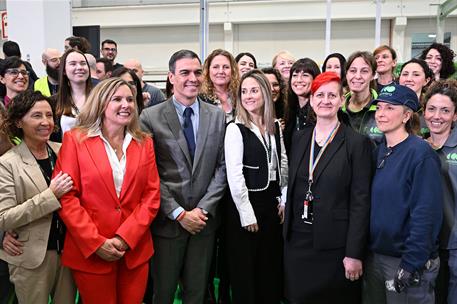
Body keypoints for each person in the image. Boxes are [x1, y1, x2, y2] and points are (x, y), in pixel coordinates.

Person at [54, 78, 160, 304]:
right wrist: (97, 242)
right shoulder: (75, 140)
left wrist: (125, 237)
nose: (126, 105)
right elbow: (67, 197)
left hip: (134, 251)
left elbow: (151, 196)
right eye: (118, 99)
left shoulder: (144, 143)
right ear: (102, 103)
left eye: (130, 99)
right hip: (91, 252)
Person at [139, 49, 226, 304]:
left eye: (198, 72)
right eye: (185, 72)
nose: (193, 78)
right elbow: (149, 173)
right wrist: (178, 213)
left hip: (204, 223)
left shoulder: (217, 115)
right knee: (163, 294)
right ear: (171, 77)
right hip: (168, 224)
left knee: (196, 294)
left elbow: (222, 168)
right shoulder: (150, 117)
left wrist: (202, 209)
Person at [283, 72, 372, 303]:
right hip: (297, 242)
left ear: (342, 100)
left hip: (334, 246)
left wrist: (354, 253)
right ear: (311, 100)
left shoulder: (356, 143)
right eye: (320, 95)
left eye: (332, 95)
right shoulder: (300, 138)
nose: (325, 100)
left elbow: (360, 203)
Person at [363, 84, 442, 304]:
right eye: (379, 108)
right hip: (376, 257)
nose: (381, 113)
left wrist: (411, 263)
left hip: (405, 261)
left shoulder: (420, 154)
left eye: (390, 108)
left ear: (407, 115)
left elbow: (426, 213)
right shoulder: (378, 151)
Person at [0, 90, 76, 303]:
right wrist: (50, 196)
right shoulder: (8, 163)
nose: (46, 122)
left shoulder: (64, 150)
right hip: (31, 257)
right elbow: (4, 217)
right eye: (37, 116)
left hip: (69, 252)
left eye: (49, 115)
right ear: (18, 122)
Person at [225, 69, 287, 304]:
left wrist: (283, 198)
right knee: (246, 274)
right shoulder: (235, 128)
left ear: (265, 92)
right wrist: (246, 214)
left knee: (269, 270)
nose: (249, 96)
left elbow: (282, 163)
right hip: (246, 206)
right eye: (244, 91)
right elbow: (235, 174)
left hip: (271, 205)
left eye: (254, 90)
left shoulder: (275, 126)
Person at [422, 79, 457, 304]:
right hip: (428, 246)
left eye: (445, 111)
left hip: (454, 246)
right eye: (432, 109)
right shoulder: (418, 146)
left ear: (455, 115)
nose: (437, 116)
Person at [341, 51, 382, 145]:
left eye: (364, 71)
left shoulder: (383, 108)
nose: (358, 76)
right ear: (346, 74)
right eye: (353, 71)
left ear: (373, 75)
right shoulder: (337, 108)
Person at [283, 58, 321, 154]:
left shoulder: (321, 112)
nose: (299, 80)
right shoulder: (289, 111)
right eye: (295, 75)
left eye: (305, 75)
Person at [55, 49, 92, 139]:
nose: (79, 67)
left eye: (83, 63)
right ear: (64, 71)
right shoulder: (54, 102)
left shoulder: (100, 98)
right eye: (73, 64)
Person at [201, 49, 240, 122]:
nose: (221, 71)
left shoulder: (240, 96)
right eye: (216, 67)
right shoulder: (200, 99)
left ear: (233, 70)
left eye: (226, 67)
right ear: (208, 70)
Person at [398, 58, 433, 137]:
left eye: (416, 75)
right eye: (405, 74)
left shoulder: (432, 107)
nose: (409, 79)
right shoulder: (388, 105)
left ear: (426, 81)